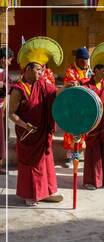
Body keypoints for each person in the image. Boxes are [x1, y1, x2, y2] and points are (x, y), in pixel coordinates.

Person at [9, 37, 70, 206]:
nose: (41, 73)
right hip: (28, 134)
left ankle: (46, 192)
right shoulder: (18, 89)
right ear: (28, 69)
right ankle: (30, 194)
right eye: (38, 70)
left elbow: (54, 93)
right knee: (31, 165)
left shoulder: (42, 84)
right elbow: (11, 114)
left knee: (45, 163)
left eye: (42, 70)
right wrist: (24, 125)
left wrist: (67, 87)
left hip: (42, 132)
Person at [63, 47, 91, 167]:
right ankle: (70, 156)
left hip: (85, 105)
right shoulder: (70, 70)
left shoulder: (89, 70)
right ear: (78, 60)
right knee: (71, 131)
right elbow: (75, 85)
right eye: (84, 59)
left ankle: (80, 153)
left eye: (87, 59)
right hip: (72, 105)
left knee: (84, 130)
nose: (86, 62)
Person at [0, 47, 14, 175]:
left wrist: (4, 85)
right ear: (3, 59)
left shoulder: (5, 72)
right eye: (9, 60)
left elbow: (10, 85)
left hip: (1, 107)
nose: (10, 62)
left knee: (1, 135)